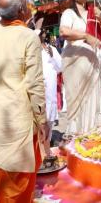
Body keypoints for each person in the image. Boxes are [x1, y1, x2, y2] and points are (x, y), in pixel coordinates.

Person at [0, 0, 48, 202]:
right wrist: (42, 119)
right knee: (17, 174)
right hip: (19, 118)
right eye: (26, 2)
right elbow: (35, 83)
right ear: (21, 10)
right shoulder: (28, 36)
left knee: (1, 166)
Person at [59, 0, 101, 134]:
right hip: (75, 63)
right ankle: (76, 133)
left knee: (93, 97)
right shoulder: (69, 13)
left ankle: (92, 130)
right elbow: (64, 31)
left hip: (93, 63)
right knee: (77, 99)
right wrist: (86, 36)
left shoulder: (94, 12)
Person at [38, 29, 62, 162]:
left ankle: (46, 154)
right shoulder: (30, 50)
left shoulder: (51, 48)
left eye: (41, 33)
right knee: (40, 125)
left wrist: (53, 55)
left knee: (49, 124)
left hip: (50, 94)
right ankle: (42, 155)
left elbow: (61, 67)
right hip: (38, 94)